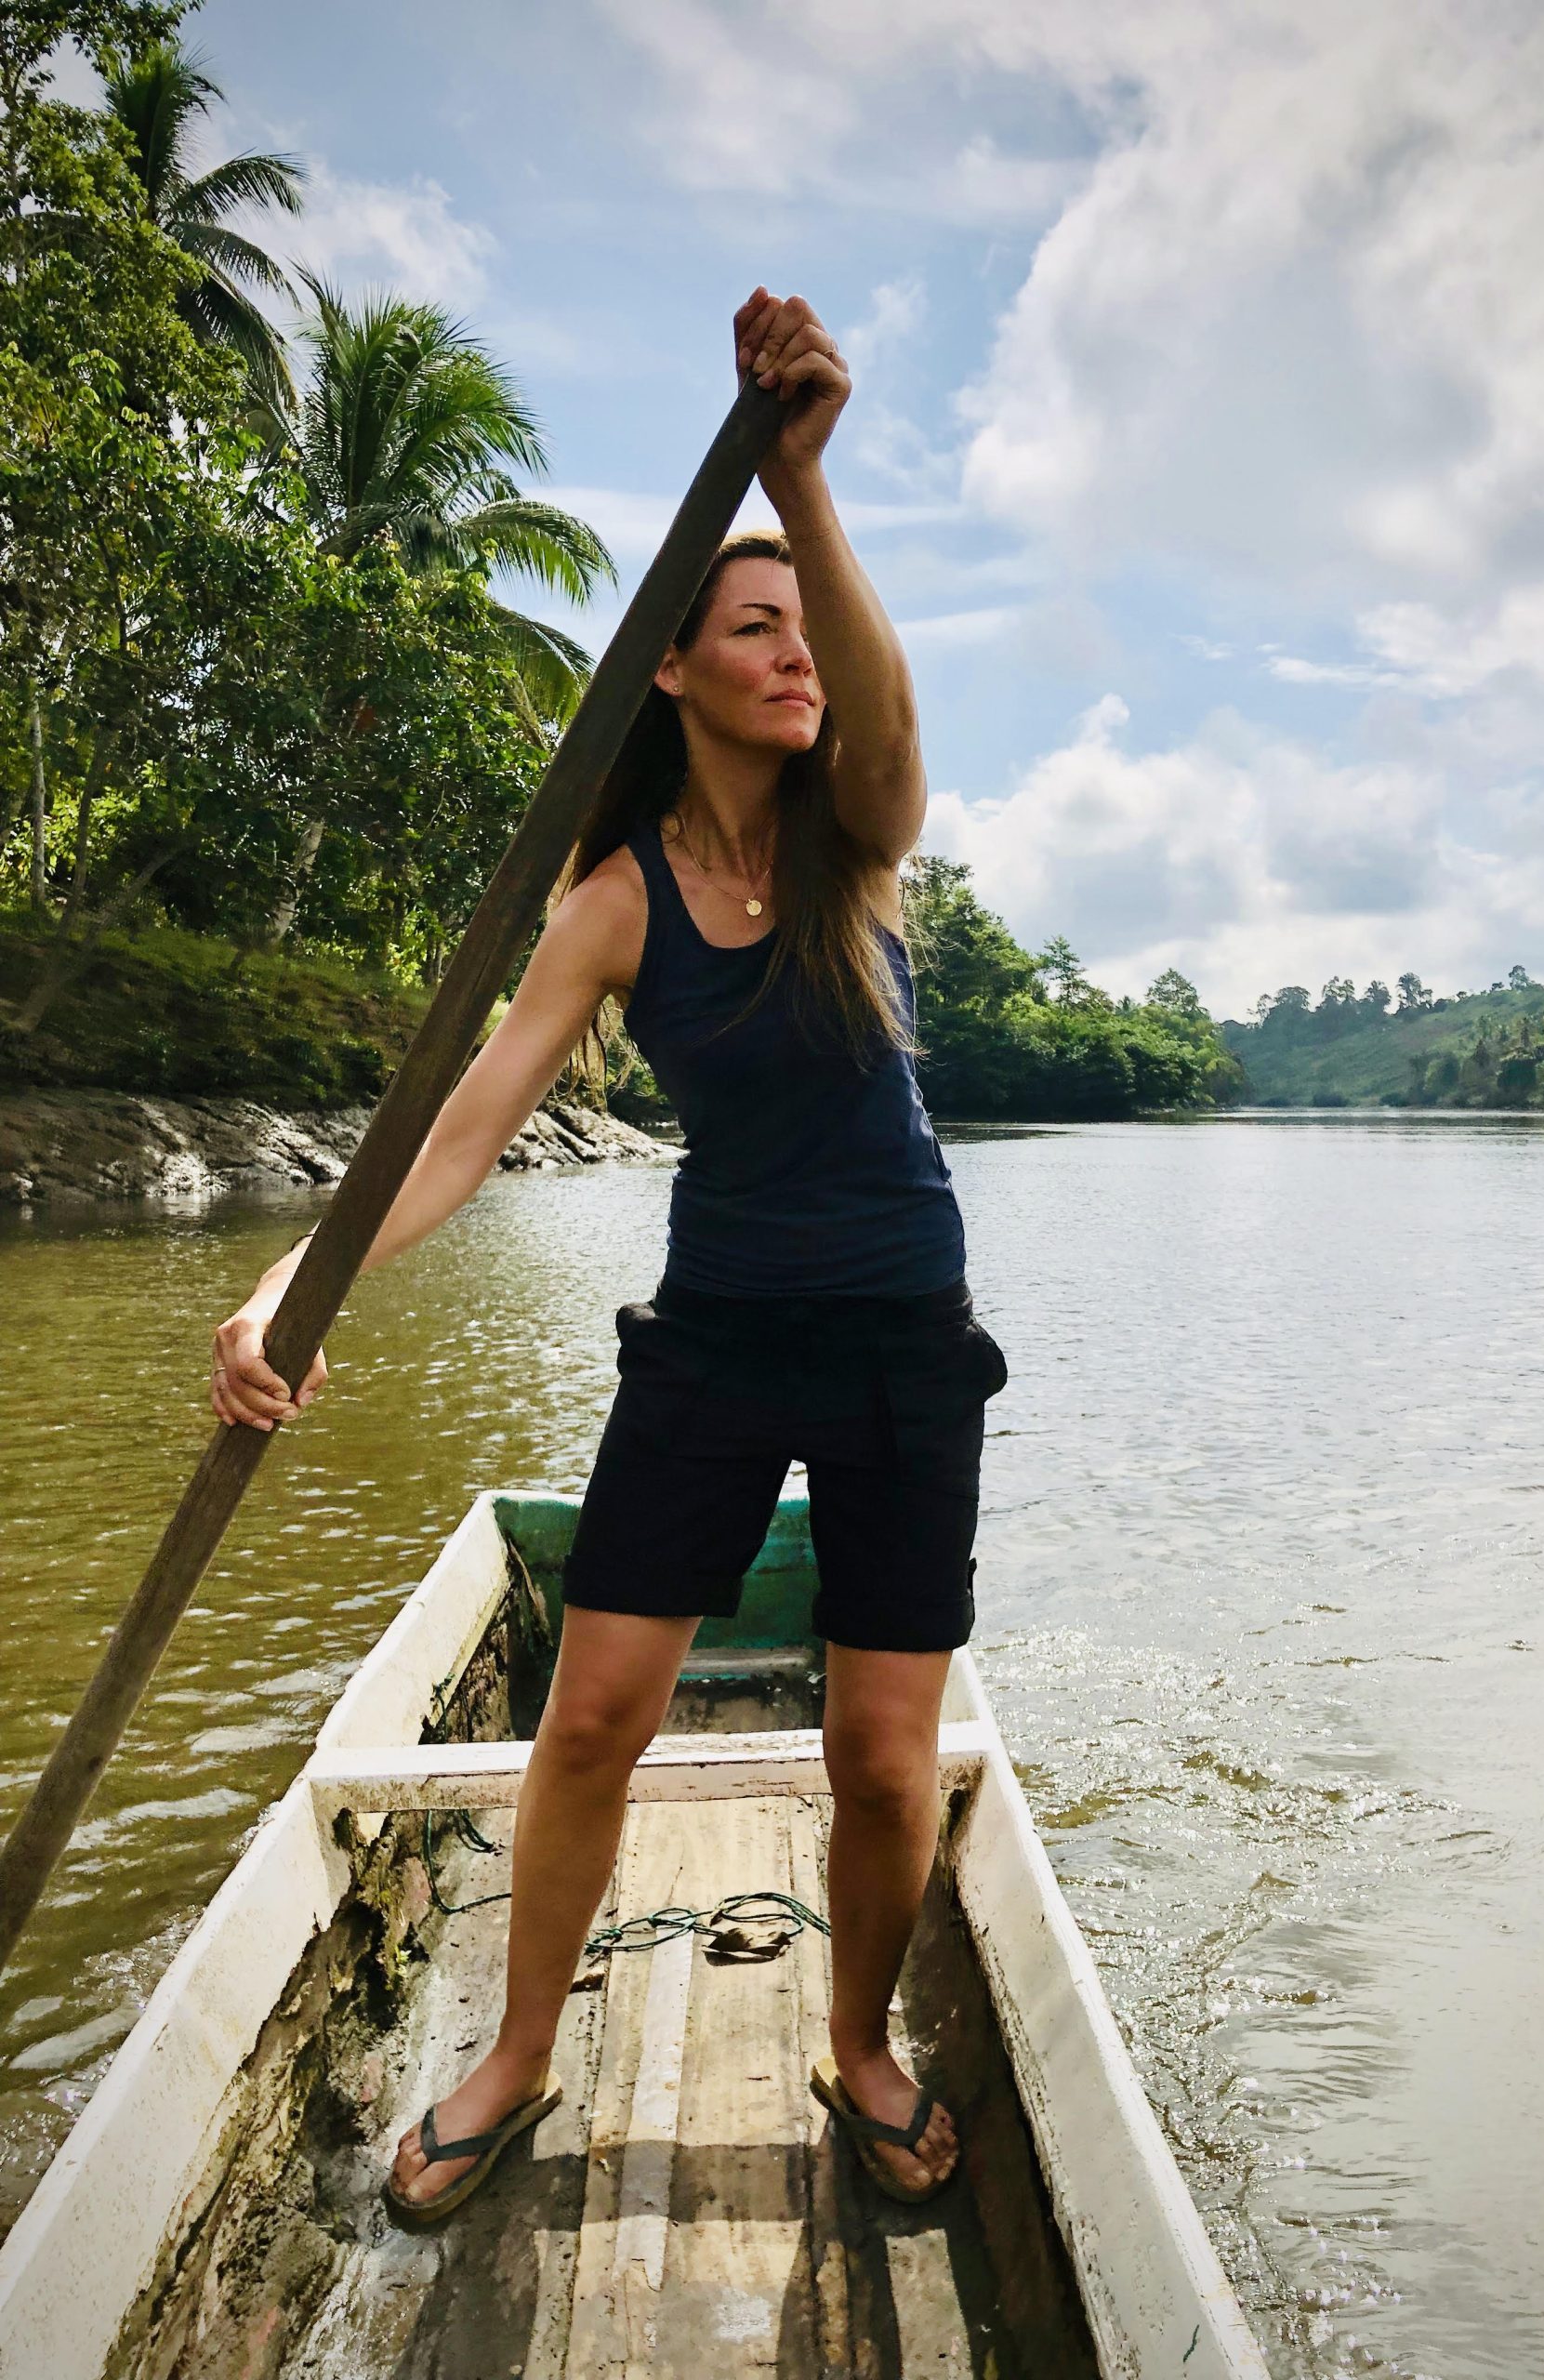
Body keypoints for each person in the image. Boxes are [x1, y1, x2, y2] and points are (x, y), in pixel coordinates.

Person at [208, 287, 1007, 2220]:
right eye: (755, 629)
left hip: (904, 1331)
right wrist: (282, 1294)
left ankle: (859, 2040)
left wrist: (800, 491)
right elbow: (462, 1131)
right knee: (592, 1709)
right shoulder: (617, 899)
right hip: (721, 1334)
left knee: (891, 1760)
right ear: (671, 673)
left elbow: (893, 743)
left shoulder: (860, 842)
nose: (795, 656)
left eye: (807, 631)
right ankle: (517, 2052)